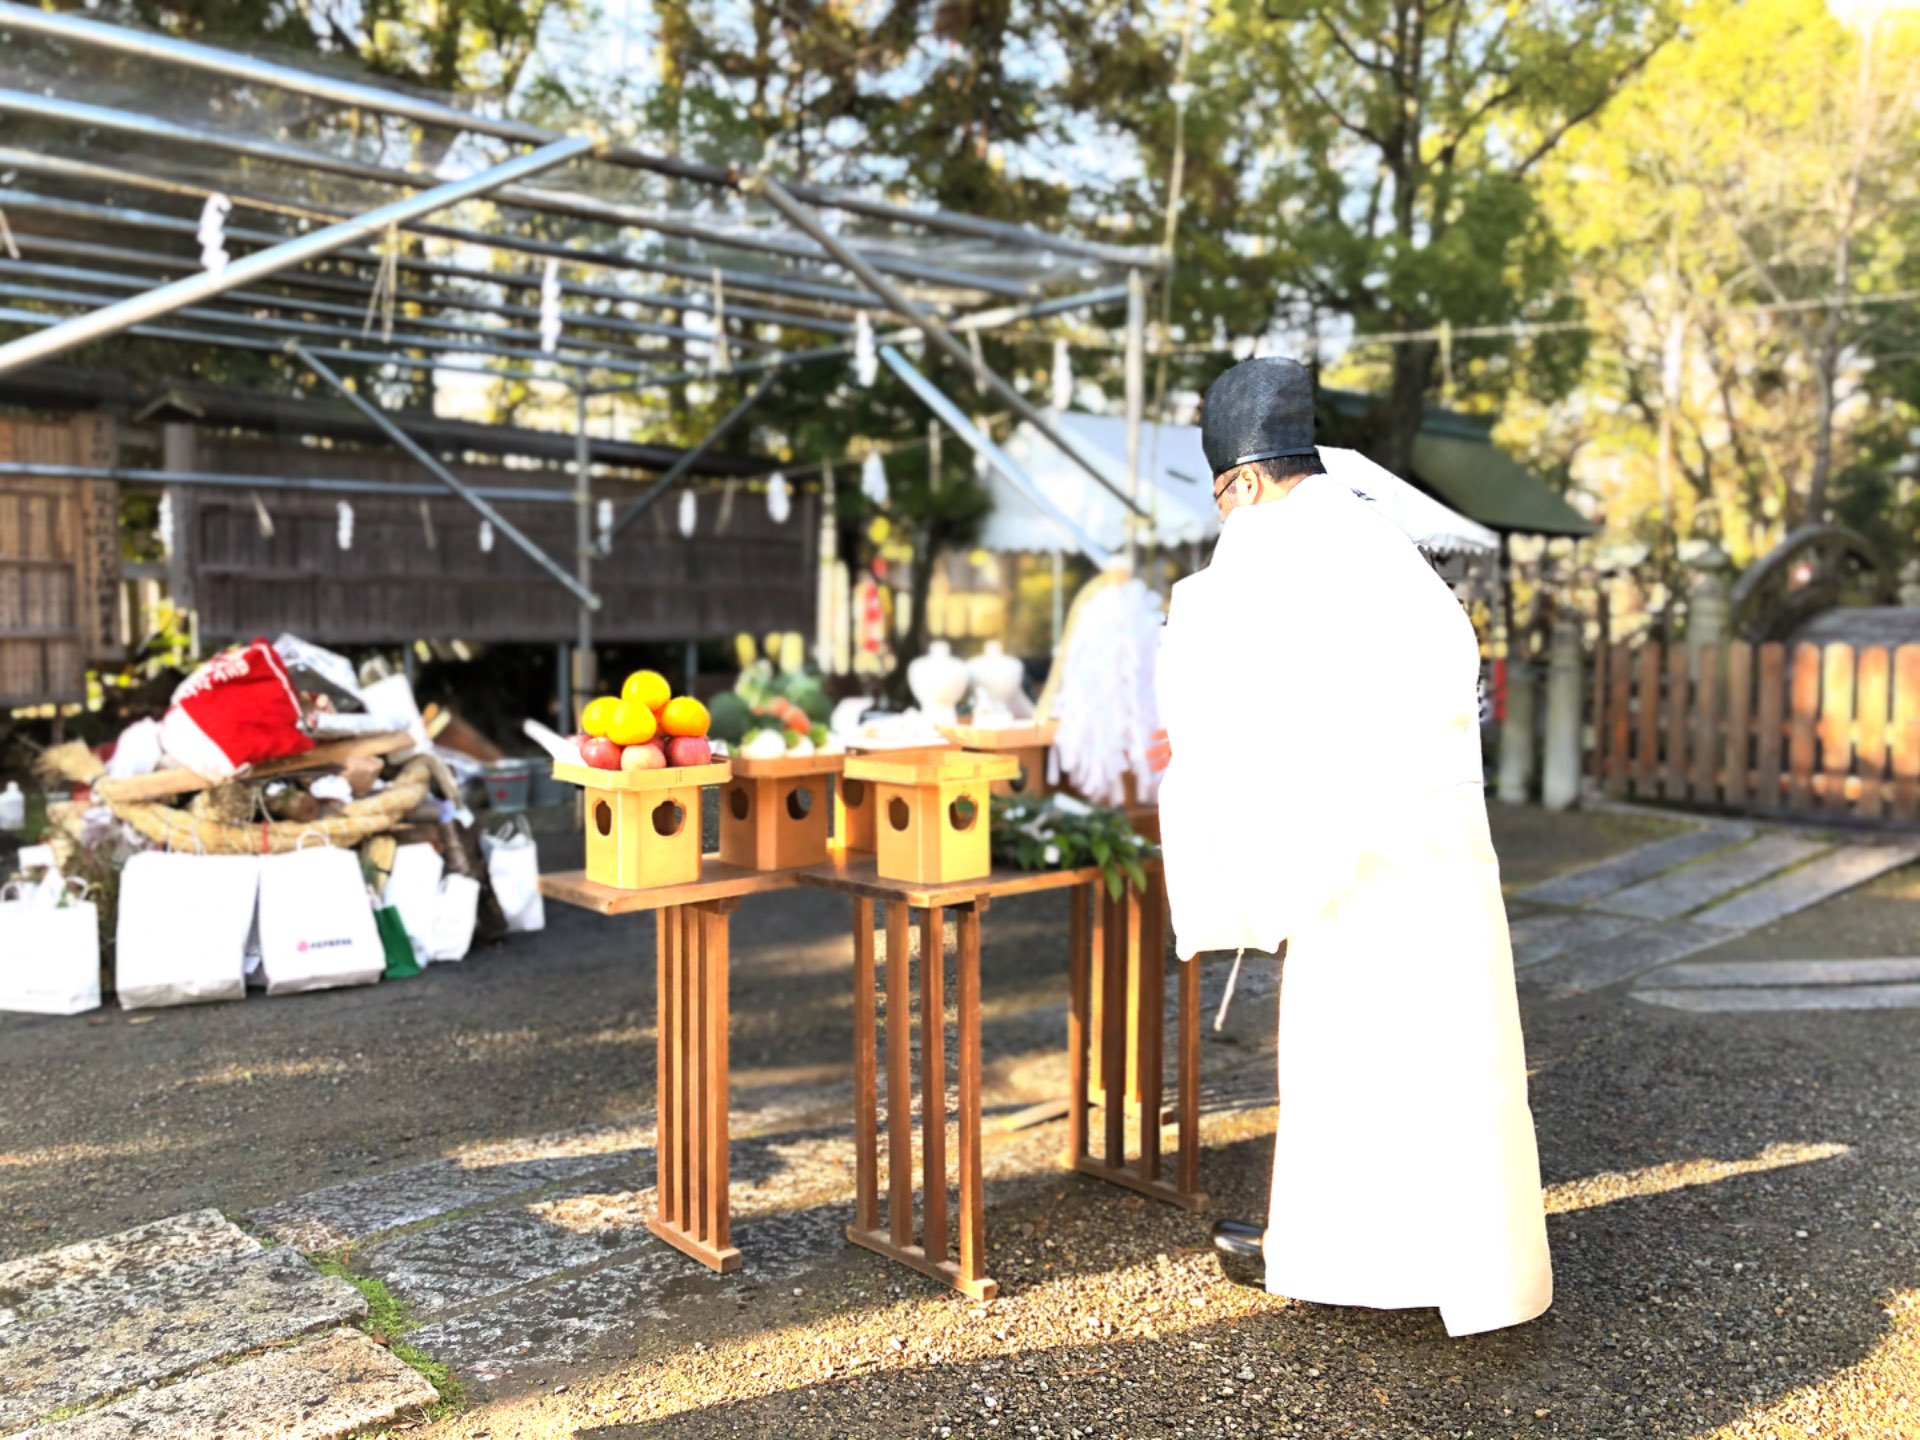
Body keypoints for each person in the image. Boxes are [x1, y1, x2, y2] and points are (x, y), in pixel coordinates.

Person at [1154, 355, 1552, 1338]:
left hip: (1361, 852)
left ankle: (1354, 1258)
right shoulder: (1378, 539)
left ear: (1243, 480)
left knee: (1357, 1060)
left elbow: (1215, 683)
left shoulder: (1271, 545)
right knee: (1449, 1059)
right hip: (1437, 839)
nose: (1224, 522)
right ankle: (1466, 1269)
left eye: (1222, 499)